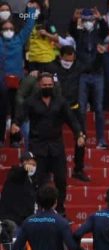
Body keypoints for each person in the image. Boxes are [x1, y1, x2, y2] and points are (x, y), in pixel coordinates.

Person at [11, 72, 85, 216]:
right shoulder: (31, 101)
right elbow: (20, 115)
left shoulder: (60, 102)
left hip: (56, 146)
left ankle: (60, 210)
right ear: (39, 85)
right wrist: (15, 124)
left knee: (61, 180)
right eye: (45, 85)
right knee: (36, 181)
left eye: (50, 85)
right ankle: (38, 210)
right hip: (38, 146)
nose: (48, 87)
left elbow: (71, 119)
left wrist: (79, 134)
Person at [71, 8, 109, 150]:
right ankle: (83, 138)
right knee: (81, 109)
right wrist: (74, 20)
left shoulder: (99, 33)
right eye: (85, 20)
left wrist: (100, 19)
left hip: (98, 74)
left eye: (90, 20)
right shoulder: (79, 34)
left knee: (99, 108)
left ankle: (101, 140)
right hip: (82, 75)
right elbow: (72, 29)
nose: (88, 23)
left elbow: (105, 30)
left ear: (94, 21)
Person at [50, 46, 90, 182]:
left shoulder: (78, 66)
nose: (68, 62)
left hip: (74, 107)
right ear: (60, 57)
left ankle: (78, 169)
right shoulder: (51, 67)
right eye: (66, 59)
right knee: (51, 138)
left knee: (82, 136)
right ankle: (51, 169)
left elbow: (92, 66)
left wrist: (101, 54)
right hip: (57, 109)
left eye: (71, 59)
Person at [0, 3, 36, 146]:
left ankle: (15, 139)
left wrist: (31, 10)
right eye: (5, 29)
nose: (8, 30)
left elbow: (29, 25)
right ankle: (1, 139)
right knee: (1, 111)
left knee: (17, 111)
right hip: (1, 81)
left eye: (10, 29)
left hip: (17, 81)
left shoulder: (19, 40)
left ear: (14, 30)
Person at [0, 152, 37, 247]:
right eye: (30, 164)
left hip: (24, 221)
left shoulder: (30, 181)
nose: (32, 166)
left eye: (34, 164)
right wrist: (24, 169)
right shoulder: (14, 173)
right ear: (23, 162)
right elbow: (17, 173)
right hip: (12, 221)